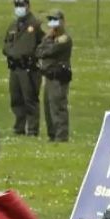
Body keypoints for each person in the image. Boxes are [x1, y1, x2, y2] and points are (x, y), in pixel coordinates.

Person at [2, 0, 44, 136]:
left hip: (29, 68)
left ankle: (32, 129)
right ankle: (19, 126)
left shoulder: (36, 24)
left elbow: (44, 43)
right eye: (16, 6)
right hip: (15, 67)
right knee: (16, 98)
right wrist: (10, 52)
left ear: (28, 6)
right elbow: (6, 43)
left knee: (30, 98)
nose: (19, 8)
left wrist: (34, 55)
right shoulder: (13, 25)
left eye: (21, 5)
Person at [37, 9, 72, 142]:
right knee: (48, 106)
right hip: (49, 76)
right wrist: (48, 40)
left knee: (58, 106)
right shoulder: (49, 37)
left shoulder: (65, 39)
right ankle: (52, 135)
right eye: (51, 20)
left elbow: (51, 51)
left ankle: (61, 136)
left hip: (59, 77)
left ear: (62, 22)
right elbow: (39, 51)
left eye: (55, 20)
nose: (53, 24)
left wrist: (48, 44)